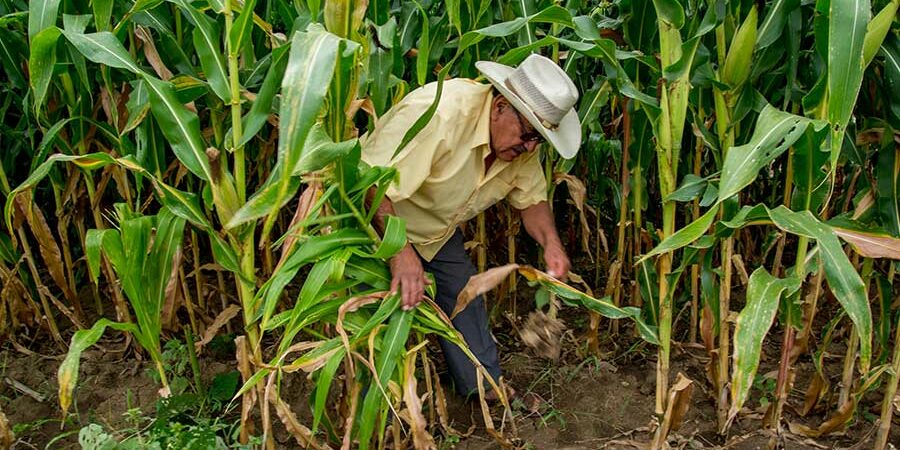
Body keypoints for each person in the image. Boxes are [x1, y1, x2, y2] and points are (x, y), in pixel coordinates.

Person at [361, 53, 580, 399]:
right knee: (375, 310)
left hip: (435, 232)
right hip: (375, 218)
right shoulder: (441, 115)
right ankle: (374, 397)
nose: (528, 148)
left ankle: (483, 386)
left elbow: (532, 200)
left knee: (464, 294)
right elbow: (369, 182)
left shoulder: (521, 147)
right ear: (499, 107)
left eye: (538, 140)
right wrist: (400, 252)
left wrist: (551, 243)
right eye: (527, 135)